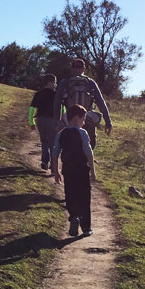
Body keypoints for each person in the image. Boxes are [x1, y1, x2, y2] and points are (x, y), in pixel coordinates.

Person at [51, 104, 96, 237]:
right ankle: (86, 227)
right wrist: (93, 170)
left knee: (70, 195)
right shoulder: (82, 133)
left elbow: (55, 154)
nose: (84, 122)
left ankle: (74, 216)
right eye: (83, 119)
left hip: (68, 170)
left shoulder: (61, 134)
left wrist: (56, 172)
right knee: (84, 197)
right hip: (82, 170)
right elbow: (88, 153)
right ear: (77, 118)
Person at [53, 57, 112, 150]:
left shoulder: (64, 82)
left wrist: (57, 121)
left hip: (70, 119)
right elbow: (101, 102)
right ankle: (85, 159)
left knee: (69, 147)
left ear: (72, 68)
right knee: (89, 145)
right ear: (84, 69)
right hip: (87, 118)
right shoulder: (90, 82)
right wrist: (108, 122)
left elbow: (57, 103)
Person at [28, 73, 57, 171]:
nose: (55, 85)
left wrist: (31, 122)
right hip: (52, 120)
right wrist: (62, 121)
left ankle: (45, 161)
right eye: (55, 82)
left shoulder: (38, 94)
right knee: (53, 143)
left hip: (40, 120)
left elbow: (32, 109)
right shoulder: (56, 95)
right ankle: (53, 165)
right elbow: (62, 109)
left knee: (44, 141)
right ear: (50, 82)